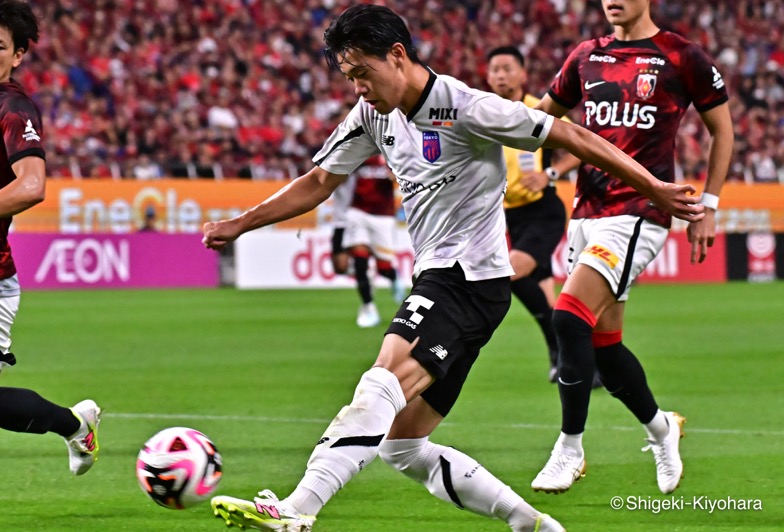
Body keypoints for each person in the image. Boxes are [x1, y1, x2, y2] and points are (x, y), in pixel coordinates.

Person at [202, 5, 703, 531]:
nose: (358, 89)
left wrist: (653, 187)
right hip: (450, 281)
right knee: (402, 445)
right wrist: (243, 222)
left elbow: (571, 135)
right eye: (349, 78)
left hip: (465, 277)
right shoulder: (373, 114)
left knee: (383, 379)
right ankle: (531, 523)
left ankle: (298, 508)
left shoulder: (466, 107)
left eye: (362, 74)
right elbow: (319, 181)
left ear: (397, 55)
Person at [530, 0, 733, 496]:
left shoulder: (682, 56)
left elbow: (721, 130)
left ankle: (570, 449)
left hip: (640, 212)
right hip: (586, 212)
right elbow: (539, 119)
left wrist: (708, 205)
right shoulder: (585, 56)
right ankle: (664, 429)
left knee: (567, 317)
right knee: (604, 347)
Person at [0, 0, 100, 476]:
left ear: (17, 55)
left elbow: (32, 186)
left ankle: (73, 425)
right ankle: (75, 424)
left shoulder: (11, 106)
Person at [486, 46, 577, 384]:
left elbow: (580, 145)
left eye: (508, 68)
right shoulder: (484, 113)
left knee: (509, 273)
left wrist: (550, 174)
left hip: (543, 211)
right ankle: (573, 361)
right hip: (510, 216)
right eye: (495, 68)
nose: (500, 75)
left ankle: (564, 354)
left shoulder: (537, 109)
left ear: (523, 74)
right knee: (549, 302)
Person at [337, 155, 406, 328]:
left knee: (383, 268)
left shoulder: (393, 152)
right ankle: (368, 307)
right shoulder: (362, 151)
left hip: (383, 217)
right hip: (358, 212)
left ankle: (393, 276)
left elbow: (404, 178)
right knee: (360, 261)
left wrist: (394, 173)